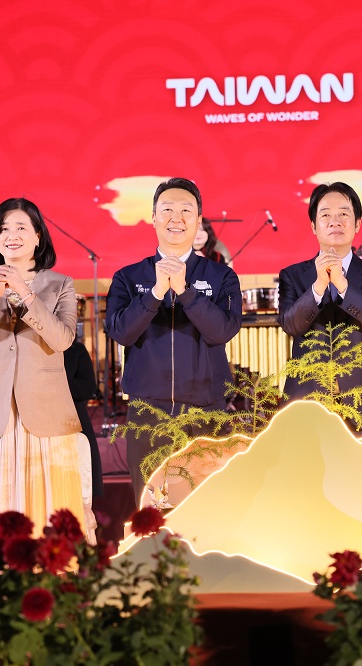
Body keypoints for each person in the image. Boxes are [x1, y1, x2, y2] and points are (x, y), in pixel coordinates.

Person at [0, 198, 88, 558]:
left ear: (38, 236)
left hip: (45, 416)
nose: (11, 235)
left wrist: (26, 294)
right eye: (4, 229)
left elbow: (62, 340)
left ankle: (50, 574)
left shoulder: (60, 284)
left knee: (47, 504)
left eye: (20, 228)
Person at [105, 178, 242, 503]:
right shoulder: (128, 277)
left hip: (206, 411)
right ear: (154, 217)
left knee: (207, 508)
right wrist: (154, 293)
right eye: (167, 210)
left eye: (185, 211)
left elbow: (222, 330)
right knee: (152, 511)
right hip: (148, 415)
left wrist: (185, 291)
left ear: (198, 220)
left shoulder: (222, 276)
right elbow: (121, 331)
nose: (176, 218)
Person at [278, 182, 362, 429]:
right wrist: (319, 285)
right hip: (309, 394)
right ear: (314, 226)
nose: (335, 221)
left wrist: (342, 284)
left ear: (357, 224)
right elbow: (290, 325)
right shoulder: (292, 275)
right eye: (326, 215)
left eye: (344, 213)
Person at [64, 338, 103, 499]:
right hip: (41, 419)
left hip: (75, 417)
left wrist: (57, 381)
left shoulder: (76, 350)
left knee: (82, 473)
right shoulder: (34, 349)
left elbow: (88, 388)